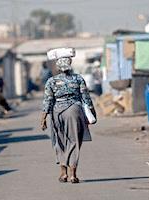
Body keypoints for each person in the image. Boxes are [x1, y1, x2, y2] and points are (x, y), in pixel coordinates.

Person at [40, 55, 96, 184]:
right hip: (74, 111)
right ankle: (73, 175)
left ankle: (63, 173)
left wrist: (43, 118)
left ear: (58, 67)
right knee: (74, 141)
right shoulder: (78, 79)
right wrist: (92, 113)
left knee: (59, 141)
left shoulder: (51, 81)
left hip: (57, 112)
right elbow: (86, 97)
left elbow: (48, 101)